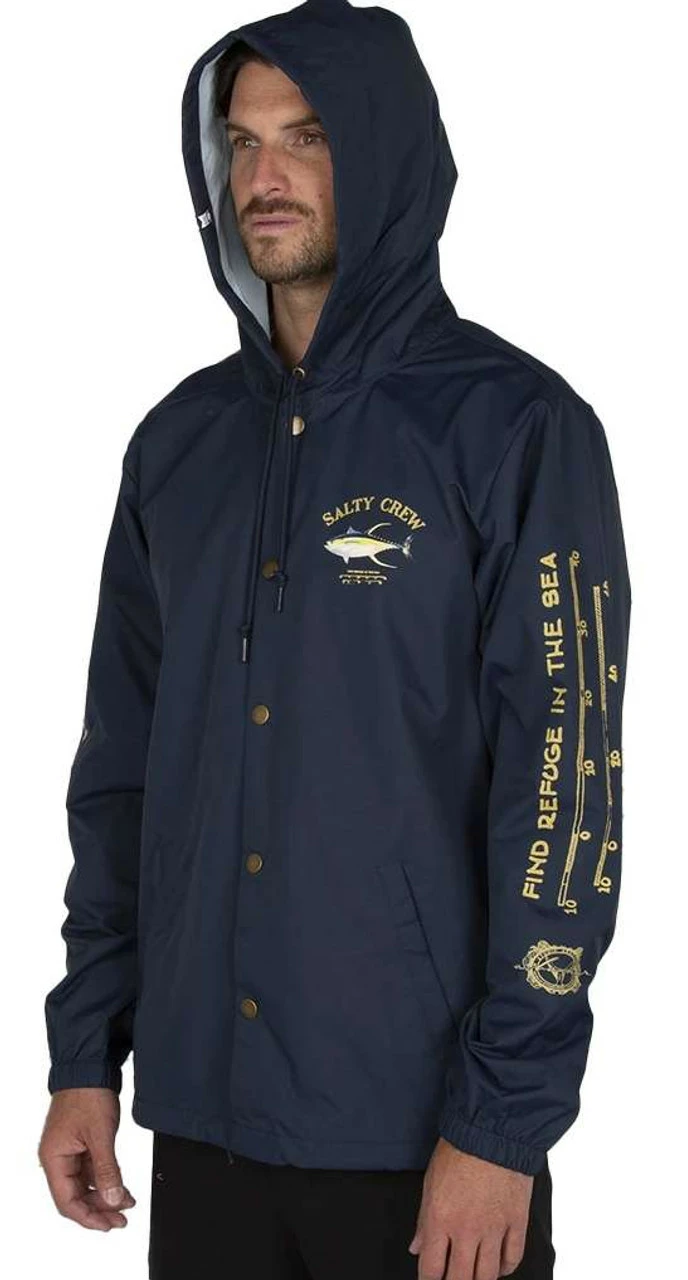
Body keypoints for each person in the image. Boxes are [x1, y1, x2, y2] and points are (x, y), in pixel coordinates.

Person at [38, 1, 631, 1277]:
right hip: (205, 1129)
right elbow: (121, 774)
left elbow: (565, 792)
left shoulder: (516, 430)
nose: (263, 176)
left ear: (385, 153)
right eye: (241, 142)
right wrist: (86, 1050)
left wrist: (502, 1122)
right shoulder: (178, 446)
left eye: (306, 137)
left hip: (422, 1142)